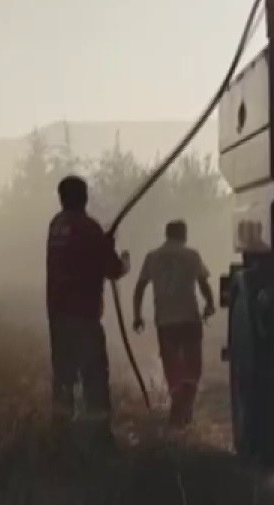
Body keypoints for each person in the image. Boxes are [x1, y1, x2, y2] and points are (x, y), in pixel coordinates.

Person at [45, 175, 129, 442]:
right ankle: (99, 438)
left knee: (63, 376)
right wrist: (121, 258)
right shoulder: (89, 228)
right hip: (84, 316)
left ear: (61, 197)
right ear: (85, 196)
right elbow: (113, 270)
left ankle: (60, 435)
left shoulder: (56, 226)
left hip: (58, 315)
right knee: (94, 377)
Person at [131, 220, 217, 428]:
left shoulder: (153, 257)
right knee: (193, 368)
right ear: (184, 235)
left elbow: (140, 288)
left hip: (165, 321)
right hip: (189, 318)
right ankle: (183, 411)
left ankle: (178, 410)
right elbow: (203, 283)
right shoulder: (191, 255)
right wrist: (210, 304)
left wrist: (137, 316)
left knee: (172, 368)